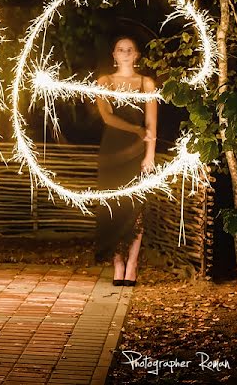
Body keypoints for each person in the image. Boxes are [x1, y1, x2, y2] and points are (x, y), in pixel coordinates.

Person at [95, 36, 157, 287]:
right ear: (114, 54)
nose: (125, 53)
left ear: (137, 55)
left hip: (137, 155)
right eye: (120, 49)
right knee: (112, 207)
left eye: (129, 49)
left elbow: (151, 123)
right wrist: (136, 130)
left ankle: (132, 263)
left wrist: (149, 154)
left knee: (135, 210)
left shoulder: (146, 84)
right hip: (112, 153)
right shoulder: (104, 82)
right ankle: (117, 262)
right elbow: (108, 118)